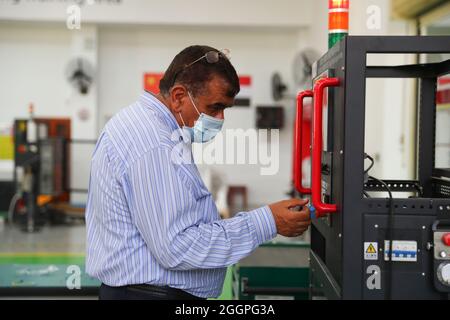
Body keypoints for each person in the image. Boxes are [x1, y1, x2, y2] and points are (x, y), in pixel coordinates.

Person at [85, 45, 311, 300]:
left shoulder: (152, 128)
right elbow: (176, 247)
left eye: (225, 109)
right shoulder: (153, 143)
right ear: (179, 96)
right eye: (214, 107)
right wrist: (267, 221)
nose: (220, 119)